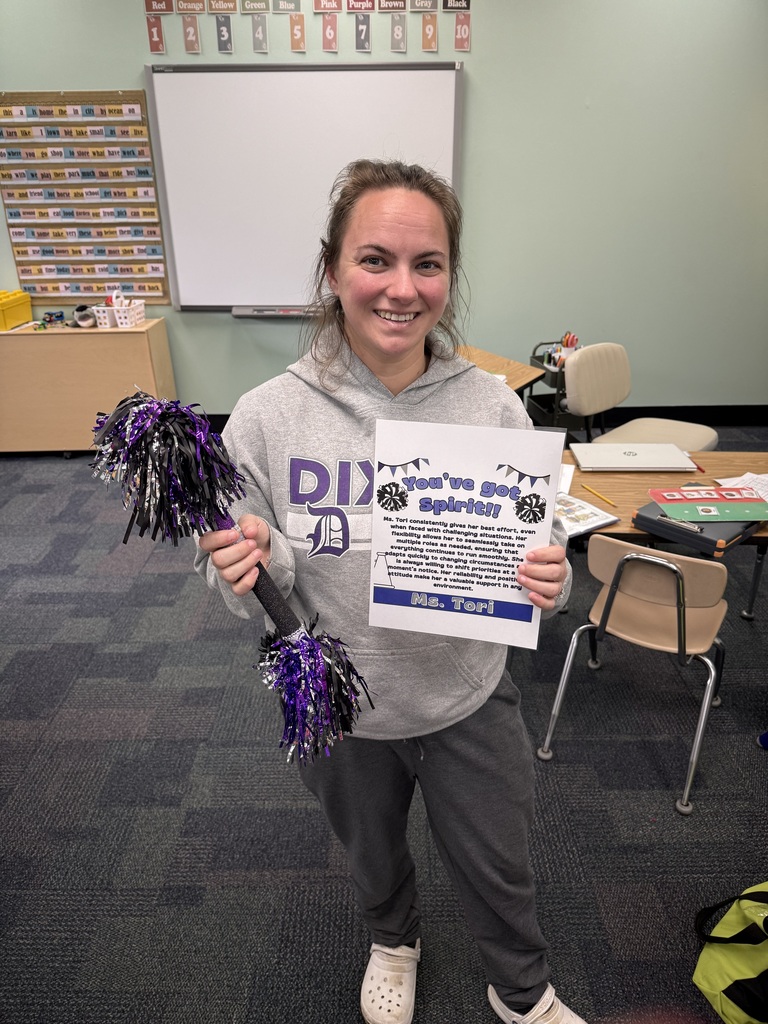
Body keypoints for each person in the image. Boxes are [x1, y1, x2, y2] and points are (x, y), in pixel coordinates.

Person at [195, 159, 585, 1024]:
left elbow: (539, 538)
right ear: (332, 269)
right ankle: (393, 941)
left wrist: (549, 574)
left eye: (428, 264)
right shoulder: (264, 416)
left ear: (451, 274)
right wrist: (251, 557)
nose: (402, 289)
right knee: (370, 850)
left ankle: (521, 990)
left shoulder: (492, 405)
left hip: (467, 690)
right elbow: (241, 578)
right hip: (338, 700)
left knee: (500, 860)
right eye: (375, 260)